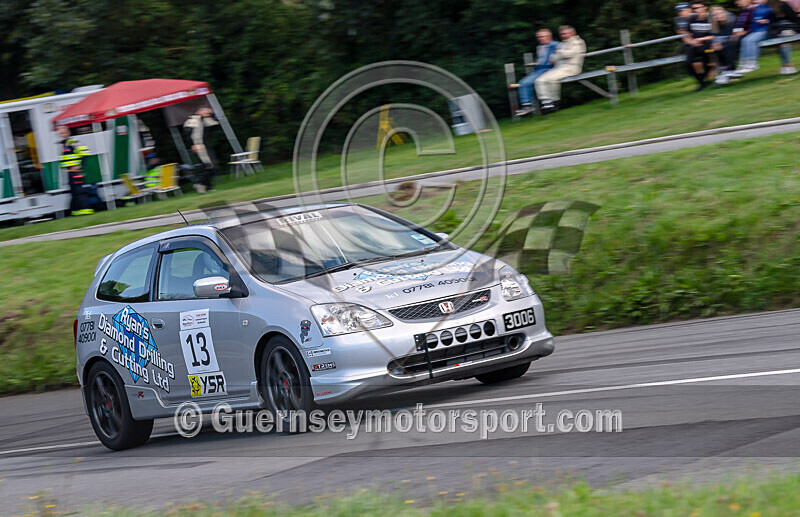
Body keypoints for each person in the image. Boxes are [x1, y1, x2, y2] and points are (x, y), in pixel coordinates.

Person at [534, 25, 586, 113]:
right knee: (539, 80)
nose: (563, 36)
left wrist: (560, 53)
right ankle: (546, 101)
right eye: (562, 34)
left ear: (573, 33)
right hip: (559, 68)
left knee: (550, 79)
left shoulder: (578, 42)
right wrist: (560, 54)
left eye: (566, 33)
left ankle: (554, 101)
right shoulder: (562, 44)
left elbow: (570, 54)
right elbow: (552, 58)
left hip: (571, 67)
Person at [515, 29, 559, 117]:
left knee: (533, 82)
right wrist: (534, 63)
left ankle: (546, 103)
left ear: (549, 36)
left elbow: (560, 57)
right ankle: (527, 105)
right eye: (538, 37)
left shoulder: (556, 45)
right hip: (539, 69)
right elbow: (541, 61)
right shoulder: (540, 47)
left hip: (550, 69)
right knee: (523, 83)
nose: (540, 39)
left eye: (542, 36)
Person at [57, 124, 94, 216]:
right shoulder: (64, 144)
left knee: (79, 191)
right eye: (60, 133)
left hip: (75, 172)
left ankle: (85, 209)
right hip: (70, 172)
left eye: (63, 133)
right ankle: (75, 211)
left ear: (68, 132)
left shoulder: (72, 142)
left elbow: (85, 152)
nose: (62, 135)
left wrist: (79, 165)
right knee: (74, 191)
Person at [183, 107, 220, 193]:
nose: (207, 115)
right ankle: (201, 184)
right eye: (205, 112)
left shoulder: (205, 120)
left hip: (205, 145)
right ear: (199, 111)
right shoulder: (193, 119)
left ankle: (205, 185)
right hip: (198, 145)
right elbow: (187, 133)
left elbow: (216, 122)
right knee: (208, 165)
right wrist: (193, 144)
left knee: (210, 166)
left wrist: (211, 113)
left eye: (208, 114)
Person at [682, 1, 716, 90]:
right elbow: (686, 34)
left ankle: (707, 79)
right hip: (694, 45)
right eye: (694, 8)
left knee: (707, 57)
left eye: (698, 7)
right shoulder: (692, 19)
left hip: (708, 46)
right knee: (688, 63)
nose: (696, 10)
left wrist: (700, 39)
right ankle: (701, 82)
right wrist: (691, 41)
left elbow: (715, 35)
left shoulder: (711, 18)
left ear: (705, 7)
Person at [735, 0, 774, 74]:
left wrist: (768, 21)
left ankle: (752, 63)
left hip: (766, 30)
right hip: (756, 30)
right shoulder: (753, 8)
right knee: (744, 40)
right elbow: (750, 22)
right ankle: (742, 64)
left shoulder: (769, 6)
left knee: (750, 40)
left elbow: (774, 17)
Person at [768, 0, 798, 74]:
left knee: (784, 39)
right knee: (782, 39)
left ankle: (787, 65)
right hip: (776, 31)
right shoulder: (764, 7)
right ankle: (786, 66)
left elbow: (794, 18)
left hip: (788, 28)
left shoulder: (783, 5)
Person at [711, 5, 739, 84]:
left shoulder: (732, 20)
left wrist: (722, 44)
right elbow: (714, 37)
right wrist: (715, 43)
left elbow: (737, 34)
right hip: (721, 45)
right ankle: (724, 71)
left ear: (724, 13)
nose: (718, 16)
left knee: (727, 46)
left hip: (734, 42)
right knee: (710, 50)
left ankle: (729, 69)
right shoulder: (714, 25)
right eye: (715, 15)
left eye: (720, 13)